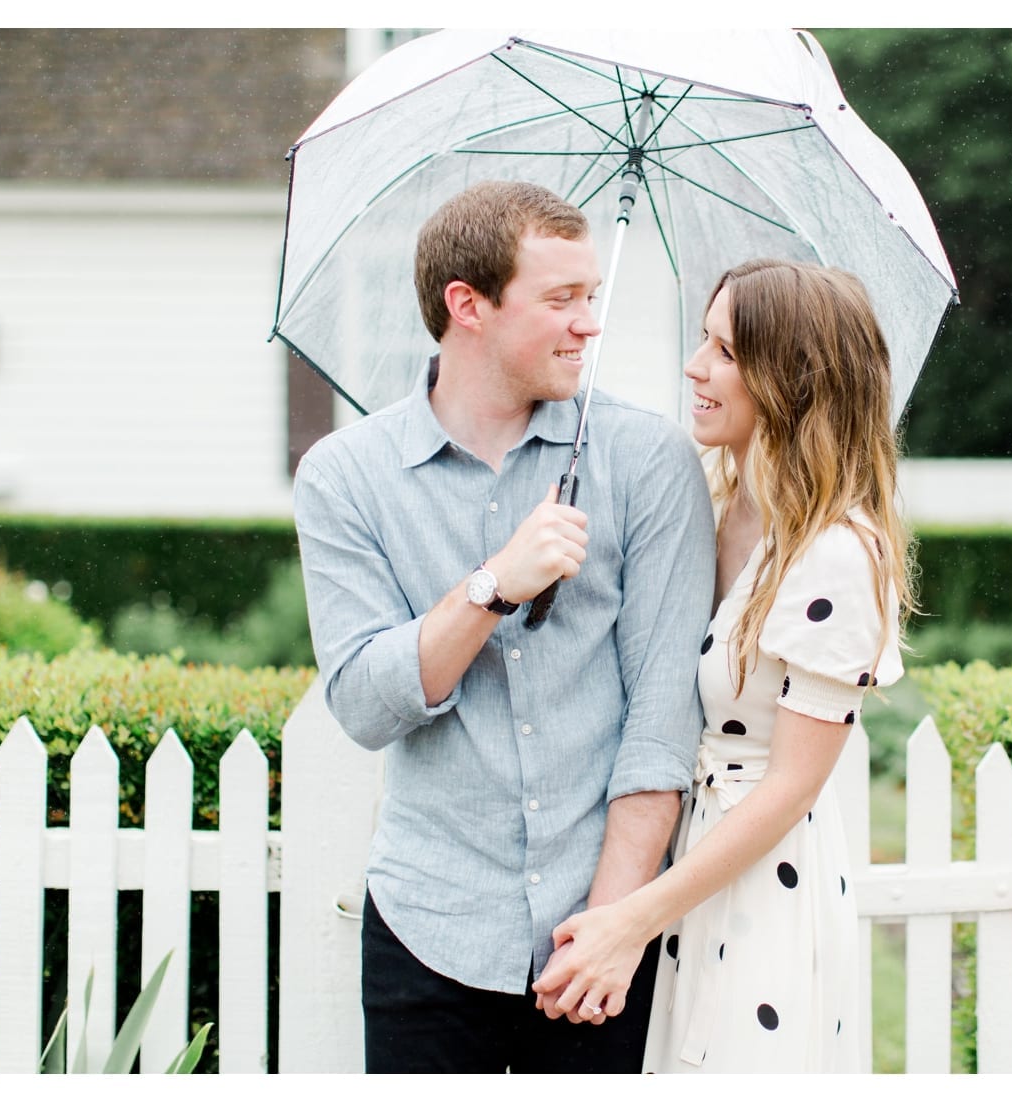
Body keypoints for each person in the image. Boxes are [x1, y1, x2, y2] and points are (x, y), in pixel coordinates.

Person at [292, 180, 716, 1073]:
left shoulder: (648, 462)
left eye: (591, 297)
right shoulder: (344, 477)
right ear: (467, 306)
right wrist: (492, 586)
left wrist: (610, 928)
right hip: (428, 927)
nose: (587, 324)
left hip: (601, 933)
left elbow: (661, 719)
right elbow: (368, 707)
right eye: (561, 299)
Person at [531, 258, 914, 1073]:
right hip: (682, 871)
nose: (694, 366)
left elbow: (790, 788)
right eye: (703, 339)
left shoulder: (837, 554)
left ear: (793, 379)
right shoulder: (709, 497)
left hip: (755, 889)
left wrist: (633, 919)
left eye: (726, 351)